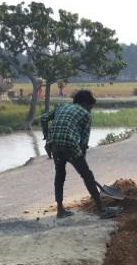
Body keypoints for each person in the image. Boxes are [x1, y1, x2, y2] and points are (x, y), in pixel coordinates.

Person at [42, 90, 119, 219]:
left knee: (59, 175)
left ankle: (60, 210)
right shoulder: (85, 115)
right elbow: (83, 142)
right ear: (85, 103)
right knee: (87, 175)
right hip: (70, 145)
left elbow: (44, 118)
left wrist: (47, 136)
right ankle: (102, 210)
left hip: (54, 145)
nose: (90, 110)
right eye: (90, 107)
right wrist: (82, 164)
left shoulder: (61, 106)